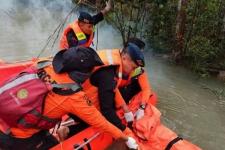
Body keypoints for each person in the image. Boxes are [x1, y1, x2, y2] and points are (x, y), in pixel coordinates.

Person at [0, 47, 138, 150]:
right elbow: (101, 122)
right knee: (54, 145)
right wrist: (126, 137)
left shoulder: (43, 64)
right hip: (19, 138)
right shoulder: (73, 96)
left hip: (5, 115)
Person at [60, 39, 154, 140]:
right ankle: (67, 131)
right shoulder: (108, 73)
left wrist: (126, 108)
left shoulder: (113, 60)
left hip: (75, 92)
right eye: (133, 67)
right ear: (125, 57)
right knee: (99, 120)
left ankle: (67, 129)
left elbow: (113, 87)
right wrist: (126, 132)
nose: (134, 69)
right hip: (77, 100)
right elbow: (107, 110)